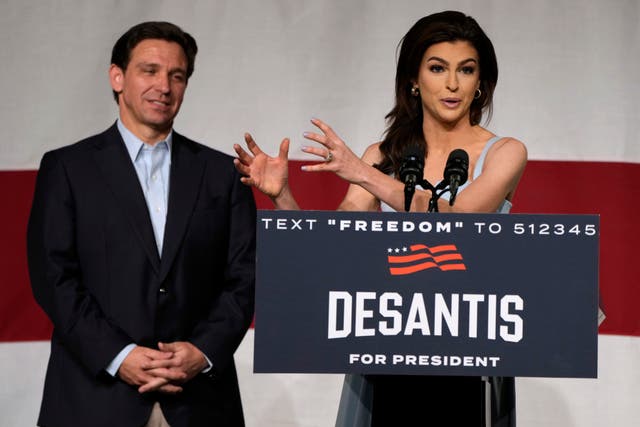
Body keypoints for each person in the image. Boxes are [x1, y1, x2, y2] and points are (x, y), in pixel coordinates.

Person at [234, 10, 526, 427]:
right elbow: (333, 252)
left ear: (481, 83)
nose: (452, 84)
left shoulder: (506, 152)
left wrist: (364, 173)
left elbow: (458, 218)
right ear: (413, 78)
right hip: (387, 349)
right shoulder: (381, 156)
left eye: (467, 70)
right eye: (437, 68)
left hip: (470, 358)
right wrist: (283, 196)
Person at [27, 21, 256, 427]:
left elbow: (245, 278)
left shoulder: (223, 173)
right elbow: (53, 277)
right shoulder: (67, 168)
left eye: (177, 75)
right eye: (149, 71)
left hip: (198, 403)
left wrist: (202, 351)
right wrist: (119, 355)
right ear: (117, 77)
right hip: (94, 400)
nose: (164, 86)